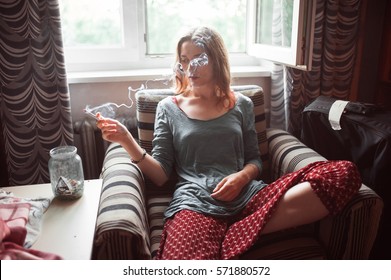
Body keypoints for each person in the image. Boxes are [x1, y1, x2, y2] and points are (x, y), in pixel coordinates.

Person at [96, 26, 361, 260]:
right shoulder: (168, 108)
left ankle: (238, 230)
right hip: (196, 202)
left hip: (249, 196)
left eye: (199, 59)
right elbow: (162, 176)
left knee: (343, 173)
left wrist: (241, 178)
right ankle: (243, 231)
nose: (190, 69)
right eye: (184, 60)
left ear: (217, 59)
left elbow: (255, 160)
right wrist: (126, 140)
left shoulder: (242, 104)